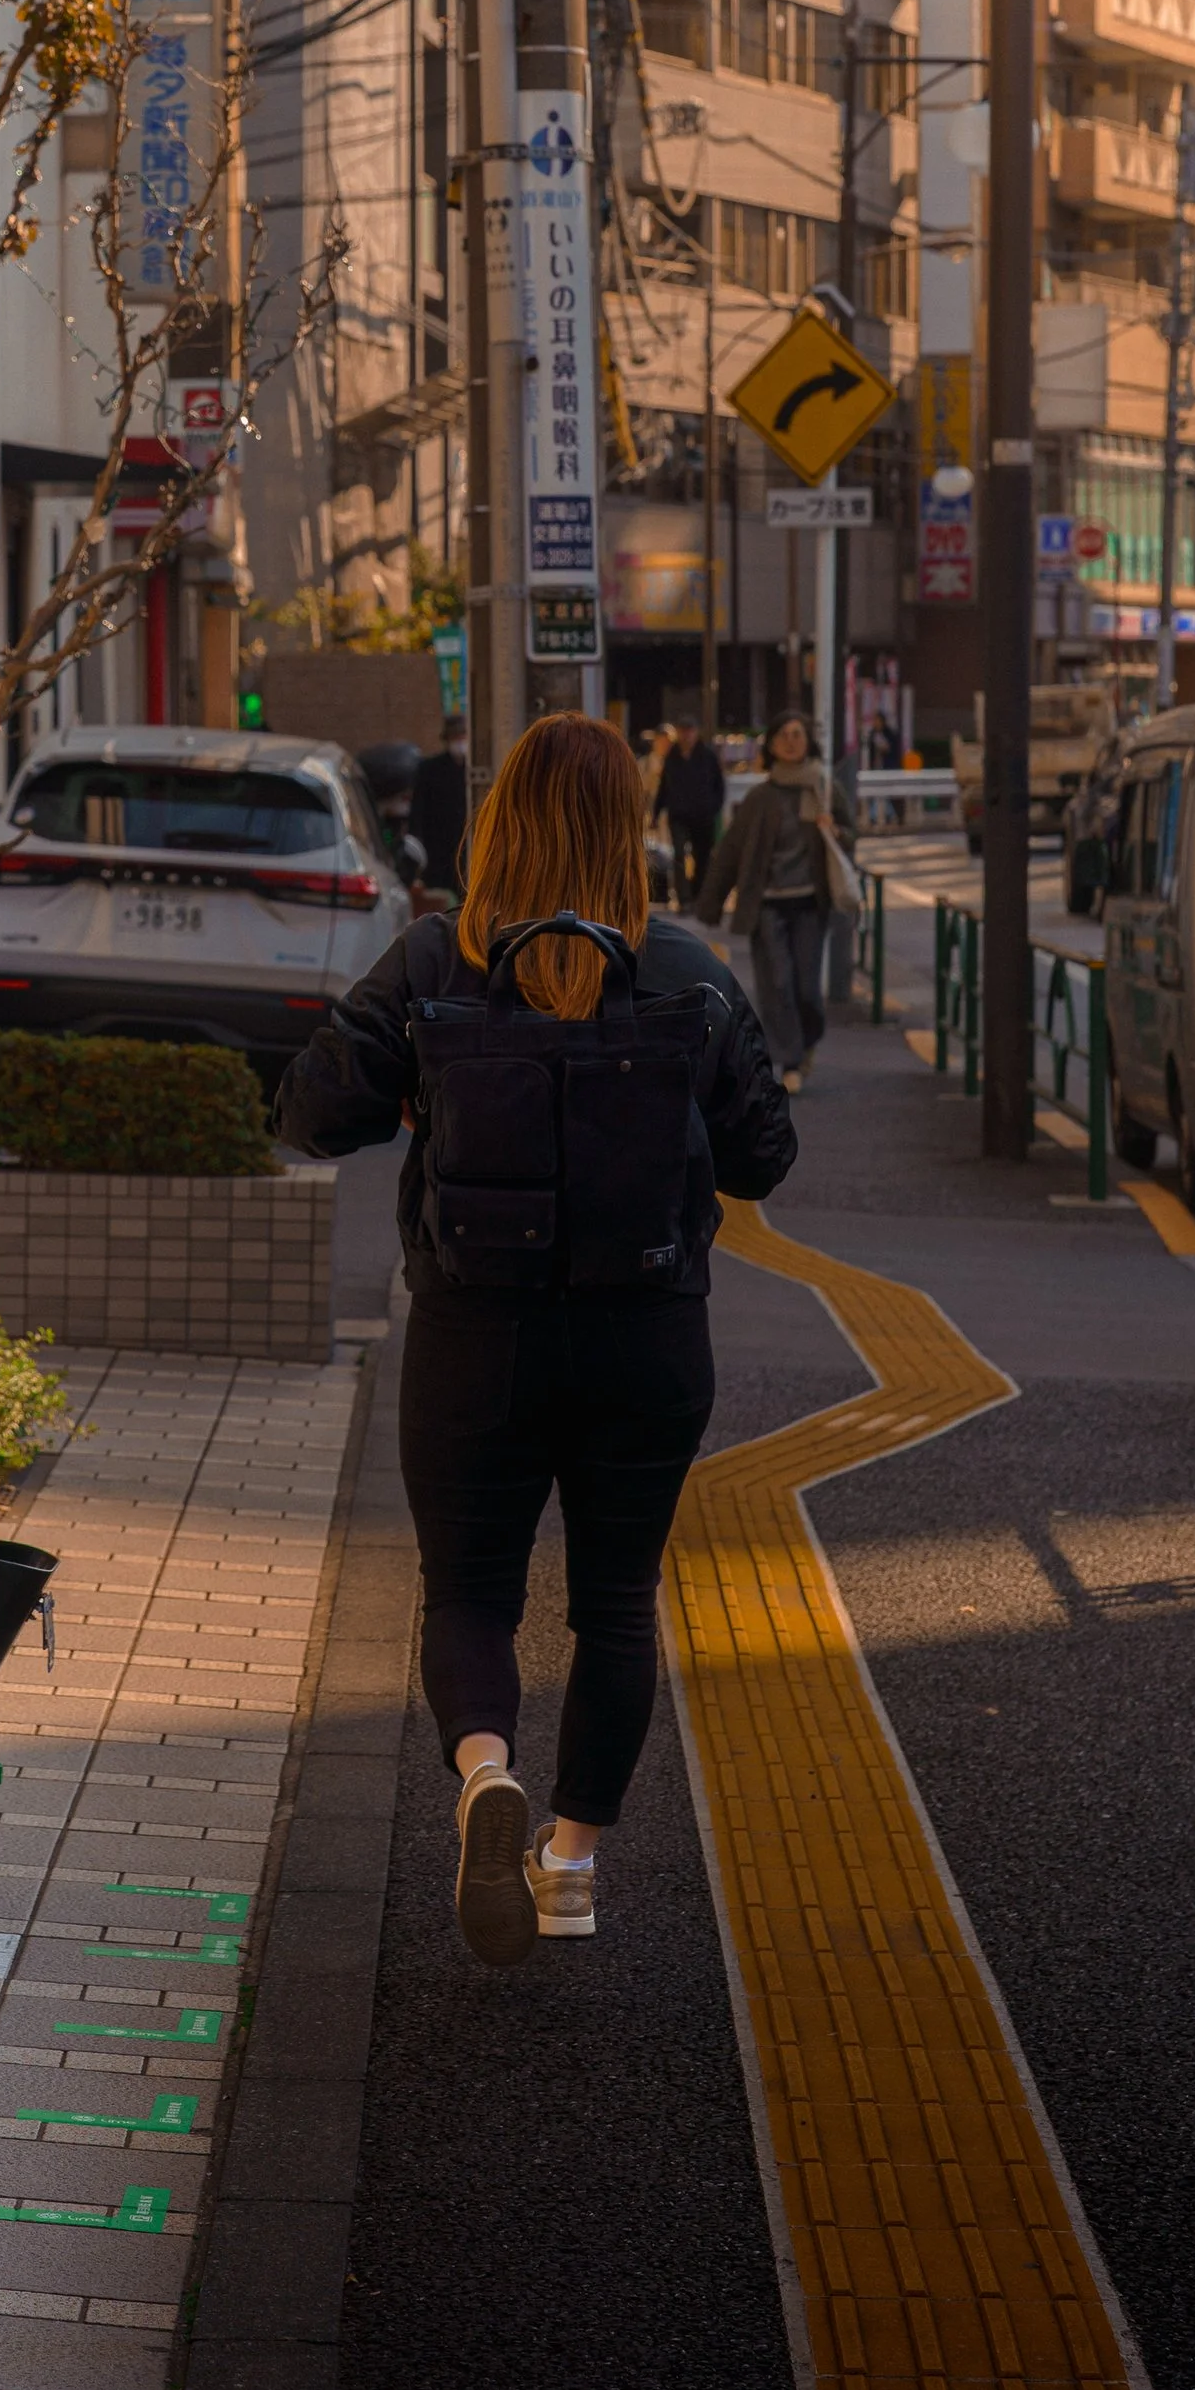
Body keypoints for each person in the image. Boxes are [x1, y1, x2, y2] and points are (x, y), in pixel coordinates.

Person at [276, 713, 795, 1965]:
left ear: (499, 819)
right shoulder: (688, 969)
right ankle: (569, 1866)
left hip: (475, 1335)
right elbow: (763, 1158)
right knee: (616, 1601)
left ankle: (483, 1772)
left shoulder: (433, 960)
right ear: (628, 830)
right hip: (646, 1339)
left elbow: (309, 1114)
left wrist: (425, 1081)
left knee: (468, 1591)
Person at [695, 711, 857, 1095]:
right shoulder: (760, 797)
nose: (790, 741)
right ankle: (790, 1061)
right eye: (783, 734)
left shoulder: (823, 789)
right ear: (770, 744)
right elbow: (731, 850)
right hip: (767, 904)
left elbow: (851, 836)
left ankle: (806, 1041)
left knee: (807, 989)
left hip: (810, 903)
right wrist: (711, 902)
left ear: (808, 741)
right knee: (777, 984)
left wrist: (835, 830)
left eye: (798, 734)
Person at [652, 716, 727, 909]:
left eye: (689, 730)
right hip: (679, 815)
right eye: (683, 731)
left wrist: (713, 808)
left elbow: (719, 785)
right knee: (679, 855)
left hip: (703, 815)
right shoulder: (672, 757)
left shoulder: (707, 756)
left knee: (702, 857)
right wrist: (656, 812)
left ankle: (696, 893)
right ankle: (684, 898)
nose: (686, 735)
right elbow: (664, 787)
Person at [408, 709, 470, 900]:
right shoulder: (429, 770)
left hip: (469, 849)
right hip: (438, 854)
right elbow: (418, 813)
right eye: (455, 737)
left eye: (462, 736)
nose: (459, 742)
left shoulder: (475, 771)